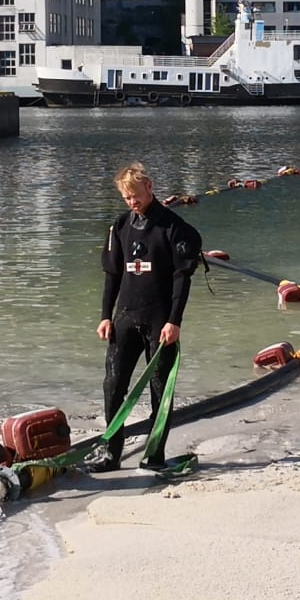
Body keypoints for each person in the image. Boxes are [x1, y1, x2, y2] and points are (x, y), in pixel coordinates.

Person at [97, 161, 203, 471]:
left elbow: (182, 278)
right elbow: (112, 275)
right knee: (113, 385)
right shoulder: (120, 226)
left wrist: (174, 321)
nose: (132, 202)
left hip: (160, 320)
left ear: (149, 187)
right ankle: (111, 454)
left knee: (159, 390)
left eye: (136, 195)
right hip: (125, 317)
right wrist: (105, 316)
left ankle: (154, 455)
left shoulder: (173, 227)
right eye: (126, 197)